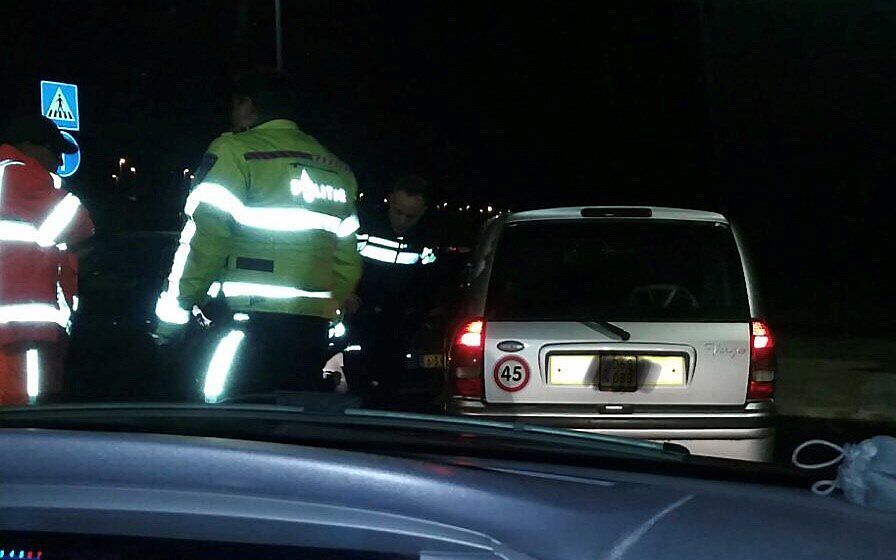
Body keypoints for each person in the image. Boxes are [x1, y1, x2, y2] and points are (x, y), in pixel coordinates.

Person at [154, 69, 362, 402]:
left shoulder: (234, 152)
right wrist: (323, 309)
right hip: (309, 337)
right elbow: (347, 261)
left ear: (247, 105)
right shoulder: (337, 169)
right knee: (292, 434)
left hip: (242, 330)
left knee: (226, 434)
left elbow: (203, 243)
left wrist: (171, 321)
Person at [0, 115, 94, 404]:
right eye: (53, 152)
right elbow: (80, 222)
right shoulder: (17, 171)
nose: (56, 163)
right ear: (29, 146)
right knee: (26, 419)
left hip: (15, 327)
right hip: (21, 329)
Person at [342, 175, 438, 405]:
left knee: (390, 379)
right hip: (359, 315)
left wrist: (420, 313)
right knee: (357, 372)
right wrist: (346, 292)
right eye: (398, 211)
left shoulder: (425, 239)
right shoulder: (365, 227)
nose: (403, 221)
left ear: (423, 211)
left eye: (411, 216)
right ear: (390, 200)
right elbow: (342, 262)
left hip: (398, 320)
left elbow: (428, 282)